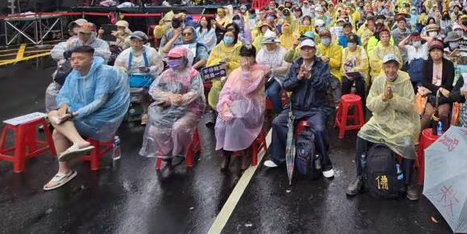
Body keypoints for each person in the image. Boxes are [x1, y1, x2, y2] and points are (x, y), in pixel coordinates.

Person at [43, 46, 130, 191]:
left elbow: (99, 101)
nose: (75, 62)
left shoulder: (104, 73)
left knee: (57, 130)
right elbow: (64, 94)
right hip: (81, 113)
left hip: (102, 117)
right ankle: (79, 143)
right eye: (72, 59)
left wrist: (74, 114)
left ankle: (64, 170)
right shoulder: (74, 75)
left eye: (80, 58)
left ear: (91, 59)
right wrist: (64, 107)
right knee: (54, 114)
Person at [346, 54, 420, 201]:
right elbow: (370, 104)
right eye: (387, 66)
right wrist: (383, 98)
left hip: (401, 122)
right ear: (383, 67)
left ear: (398, 68)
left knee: (407, 143)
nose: (390, 70)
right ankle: (360, 176)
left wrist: (393, 98)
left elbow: (409, 106)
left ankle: (408, 182)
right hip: (380, 121)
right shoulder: (378, 81)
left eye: (393, 67)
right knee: (362, 135)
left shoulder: (406, 81)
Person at [264, 38, 335, 179]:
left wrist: (310, 76)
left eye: (309, 48)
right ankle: (278, 158)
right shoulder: (296, 64)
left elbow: (325, 86)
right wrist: (298, 77)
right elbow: (286, 85)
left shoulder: (322, 66)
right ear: (300, 50)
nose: (306, 51)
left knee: (320, 129)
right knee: (278, 123)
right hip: (296, 106)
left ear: (314, 50)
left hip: (316, 107)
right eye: (304, 48)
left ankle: (325, 164)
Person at [139, 46, 205, 177]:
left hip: (191, 108)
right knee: (154, 130)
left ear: (185, 59)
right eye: (170, 59)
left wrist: (181, 98)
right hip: (170, 108)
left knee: (178, 127)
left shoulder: (193, 74)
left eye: (176, 59)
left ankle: (179, 151)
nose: (172, 61)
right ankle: (166, 154)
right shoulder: (166, 73)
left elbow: (195, 92)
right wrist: (168, 97)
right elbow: (154, 90)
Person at [215, 45, 267, 175]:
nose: (244, 59)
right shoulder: (234, 72)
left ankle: (246, 150)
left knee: (236, 122)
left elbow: (248, 91)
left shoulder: (259, 73)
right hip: (234, 105)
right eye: (242, 56)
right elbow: (226, 91)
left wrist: (245, 71)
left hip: (252, 107)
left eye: (248, 56)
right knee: (221, 123)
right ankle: (226, 154)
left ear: (253, 58)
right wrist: (225, 105)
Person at [45, 21, 111, 112]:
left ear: (92, 34)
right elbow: (55, 51)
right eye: (81, 33)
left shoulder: (101, 44)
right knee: (53, 89)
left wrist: (87, 52)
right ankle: (53, 113)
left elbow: (106, 55)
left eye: (86, 33)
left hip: (92, 75)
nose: (82, 36)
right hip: (71, 72)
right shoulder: (73, 43)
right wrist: (64, 54)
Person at [114, 31, 164, 124]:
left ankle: (145, 112)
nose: (135, 44)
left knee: (144, 92)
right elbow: (118, 65)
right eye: (133, 41)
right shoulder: (125, 53)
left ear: (143, 42)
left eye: (138, 42)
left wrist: (149, 69)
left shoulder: (151, 51)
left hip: (146, 77)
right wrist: (123, 69)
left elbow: (158, 65)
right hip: (129, 76)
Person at [417, 40, 455, 131]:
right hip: (430, 95)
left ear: (442, 52)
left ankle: (443, 137)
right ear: (429, 53)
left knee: (443, 114)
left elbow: (449, 84)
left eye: (438, 50)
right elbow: (424, 81)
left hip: (444, 96)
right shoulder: (426, 64)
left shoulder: (449, 65)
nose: (436, 53)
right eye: (433, 51)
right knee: (427, 115)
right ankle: (417, 137)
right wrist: (439, 90)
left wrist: (439, 90)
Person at [316, 28, 343, 105]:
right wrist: (320, 59)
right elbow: (314, 61)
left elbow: (338, 63)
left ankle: (337, 105)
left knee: (334, 83)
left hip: (333, 72)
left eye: (326, 38)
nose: (325, 39)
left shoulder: (336, 48)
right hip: (320, 72)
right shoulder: (317, 48)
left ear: (330, 38)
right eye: (323, 38)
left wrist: (329, 60)